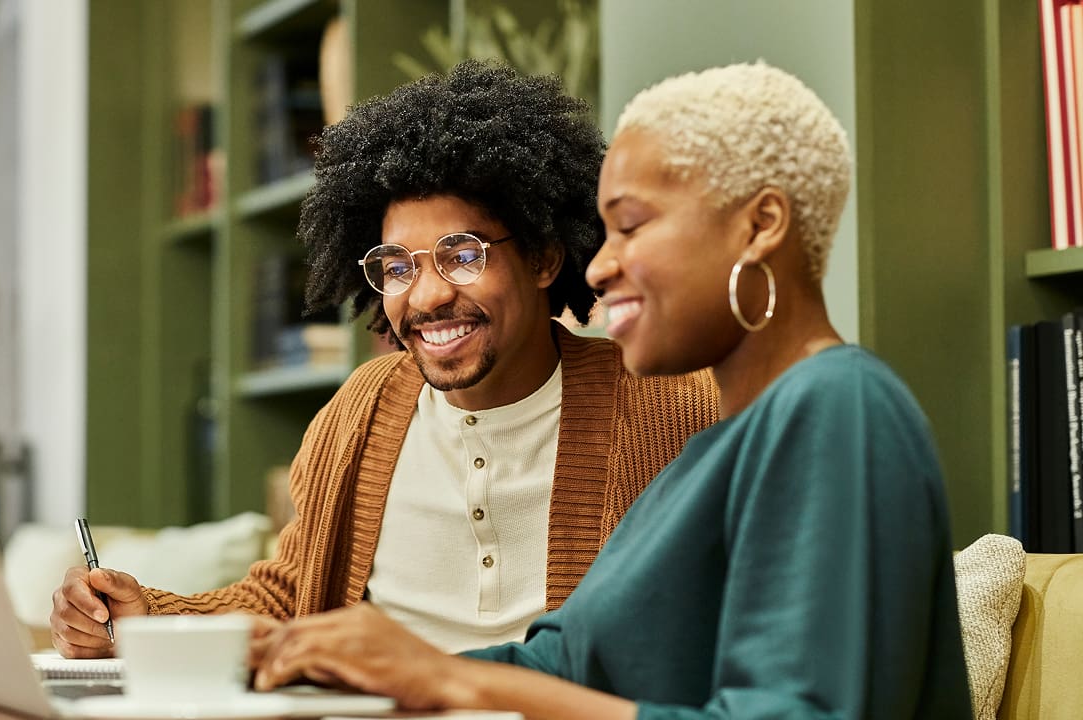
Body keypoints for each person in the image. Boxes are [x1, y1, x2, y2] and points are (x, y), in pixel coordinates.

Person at [249, 62, 974, 718]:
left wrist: (457, 684)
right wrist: (348, 664)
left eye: (629, 227)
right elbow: (554, 667)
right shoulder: (710, 457)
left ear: (761, 226)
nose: (598, 268)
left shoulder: (836, 404)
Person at [50, 60, 720, 659]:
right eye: (397, 266)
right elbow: (291, 596)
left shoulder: (673, 408)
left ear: (544, 258)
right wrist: (148, 618)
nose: (426, 296)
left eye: (463, 255)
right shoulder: (362, 409)